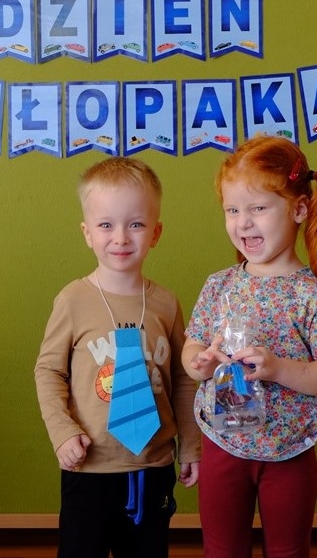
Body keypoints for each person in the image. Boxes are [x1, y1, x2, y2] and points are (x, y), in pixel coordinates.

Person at [182, 136, 317, 558]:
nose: (243, 223)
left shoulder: (314, 295)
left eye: (258, 208)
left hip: (290, 451)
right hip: (222, 445)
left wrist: (278, 368)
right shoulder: (219, 285)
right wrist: (199, 362)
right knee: (221, 550)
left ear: (299, 209)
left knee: (288, 551)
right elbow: (192, 348)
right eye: (232, 210)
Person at [35, 156, 201, 558]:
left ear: (156, 232)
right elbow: (49, 370)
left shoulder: (166, 303)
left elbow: (184, 379)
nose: (121, 237)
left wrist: (191, 445)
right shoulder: (73, 299)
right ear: (87, 233)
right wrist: (61, 431)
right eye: (106, 225)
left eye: (136, 224)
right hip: (90, 465)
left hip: (152, 465)